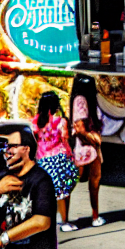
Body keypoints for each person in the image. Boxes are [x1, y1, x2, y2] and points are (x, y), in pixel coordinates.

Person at [33, 92, 80, 232]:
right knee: (64, 192)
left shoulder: (35, 121)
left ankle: (51, 219)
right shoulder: (60, 121)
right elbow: (65, 137)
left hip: (42, 160)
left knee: (49, 193)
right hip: (59, 159)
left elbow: (35, 138)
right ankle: (65, 221)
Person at [69, 75, 104, 228]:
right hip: (84, 148)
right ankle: (65, 218)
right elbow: (80, 128)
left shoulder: (83, 100)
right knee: (73, 183)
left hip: (91, 149)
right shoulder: (81, 100)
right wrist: (95, 139)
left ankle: (94, 216)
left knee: (92, 182)